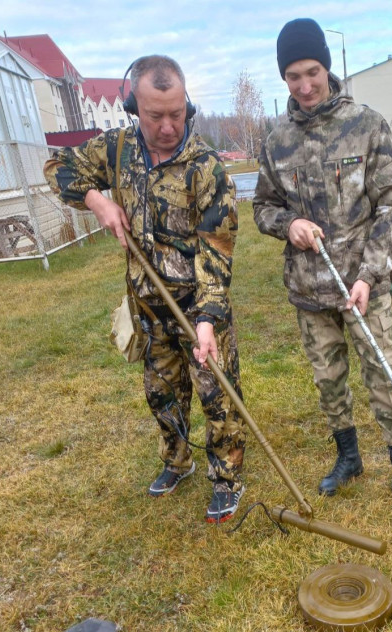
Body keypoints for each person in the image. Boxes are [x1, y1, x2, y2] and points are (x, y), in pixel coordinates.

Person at [253, 19, 392, 516]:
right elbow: (262, 207)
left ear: (327, 68)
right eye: (293, 76)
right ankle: (349, 458)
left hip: (364, 283)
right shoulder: (275, 140)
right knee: (328, 379)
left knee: (384, 373)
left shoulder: (367, 124)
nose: (304, 85)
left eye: (312, 71)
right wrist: (288, 223)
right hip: (309, 289)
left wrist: (368, 274)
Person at [44, 55, 247, 523]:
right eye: (156, 116)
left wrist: (207, 322)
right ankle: (177, 462)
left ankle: (227, 479)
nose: (169, 125)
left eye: (178, 113)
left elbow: (217, 253)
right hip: (149, 308)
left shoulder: (207, 168)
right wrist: (97, 200)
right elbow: (57, 166)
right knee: (162, 394)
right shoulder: (116, 150)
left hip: (198, 306)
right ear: (134, 106)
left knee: (220, 399)